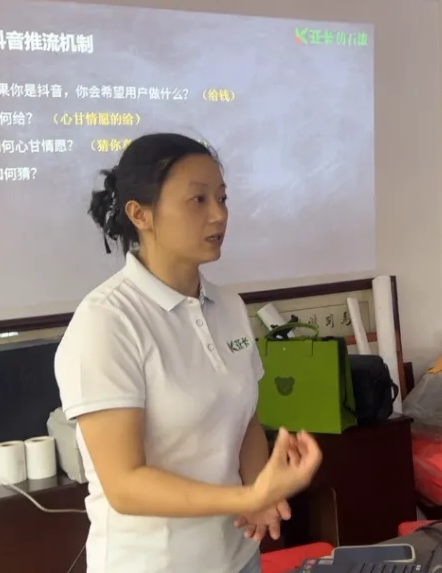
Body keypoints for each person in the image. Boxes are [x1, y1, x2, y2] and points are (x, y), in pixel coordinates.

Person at [54, 133, 322, 573]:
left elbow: (243, 419)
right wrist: (246, 496)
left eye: (222, 198)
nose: (219, 214)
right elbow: (125, 485)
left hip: (237, 557)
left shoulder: (228, 306)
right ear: (140, 214)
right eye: (198, 200)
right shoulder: (106, 322)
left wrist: (263, 489)